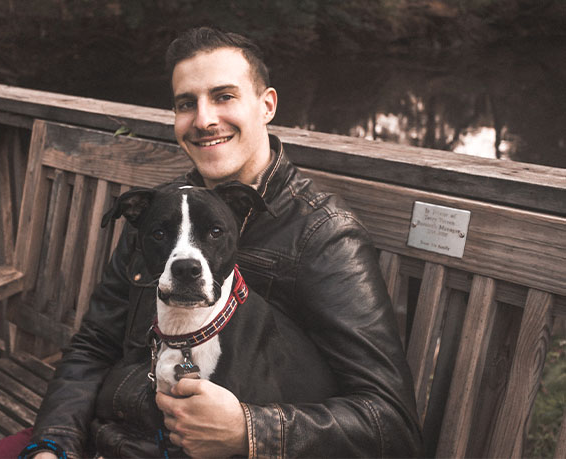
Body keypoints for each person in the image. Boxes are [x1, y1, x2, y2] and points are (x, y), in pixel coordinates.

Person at [25, 27, 423, 458]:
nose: (203, 119)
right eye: (186, 104)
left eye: (223, 96)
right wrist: (53, 444)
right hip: (123, 435)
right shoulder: (159, 214)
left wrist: (251, 430)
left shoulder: (323, 236)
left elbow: (392, 425)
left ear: (266, 105)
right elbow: (95, 344)